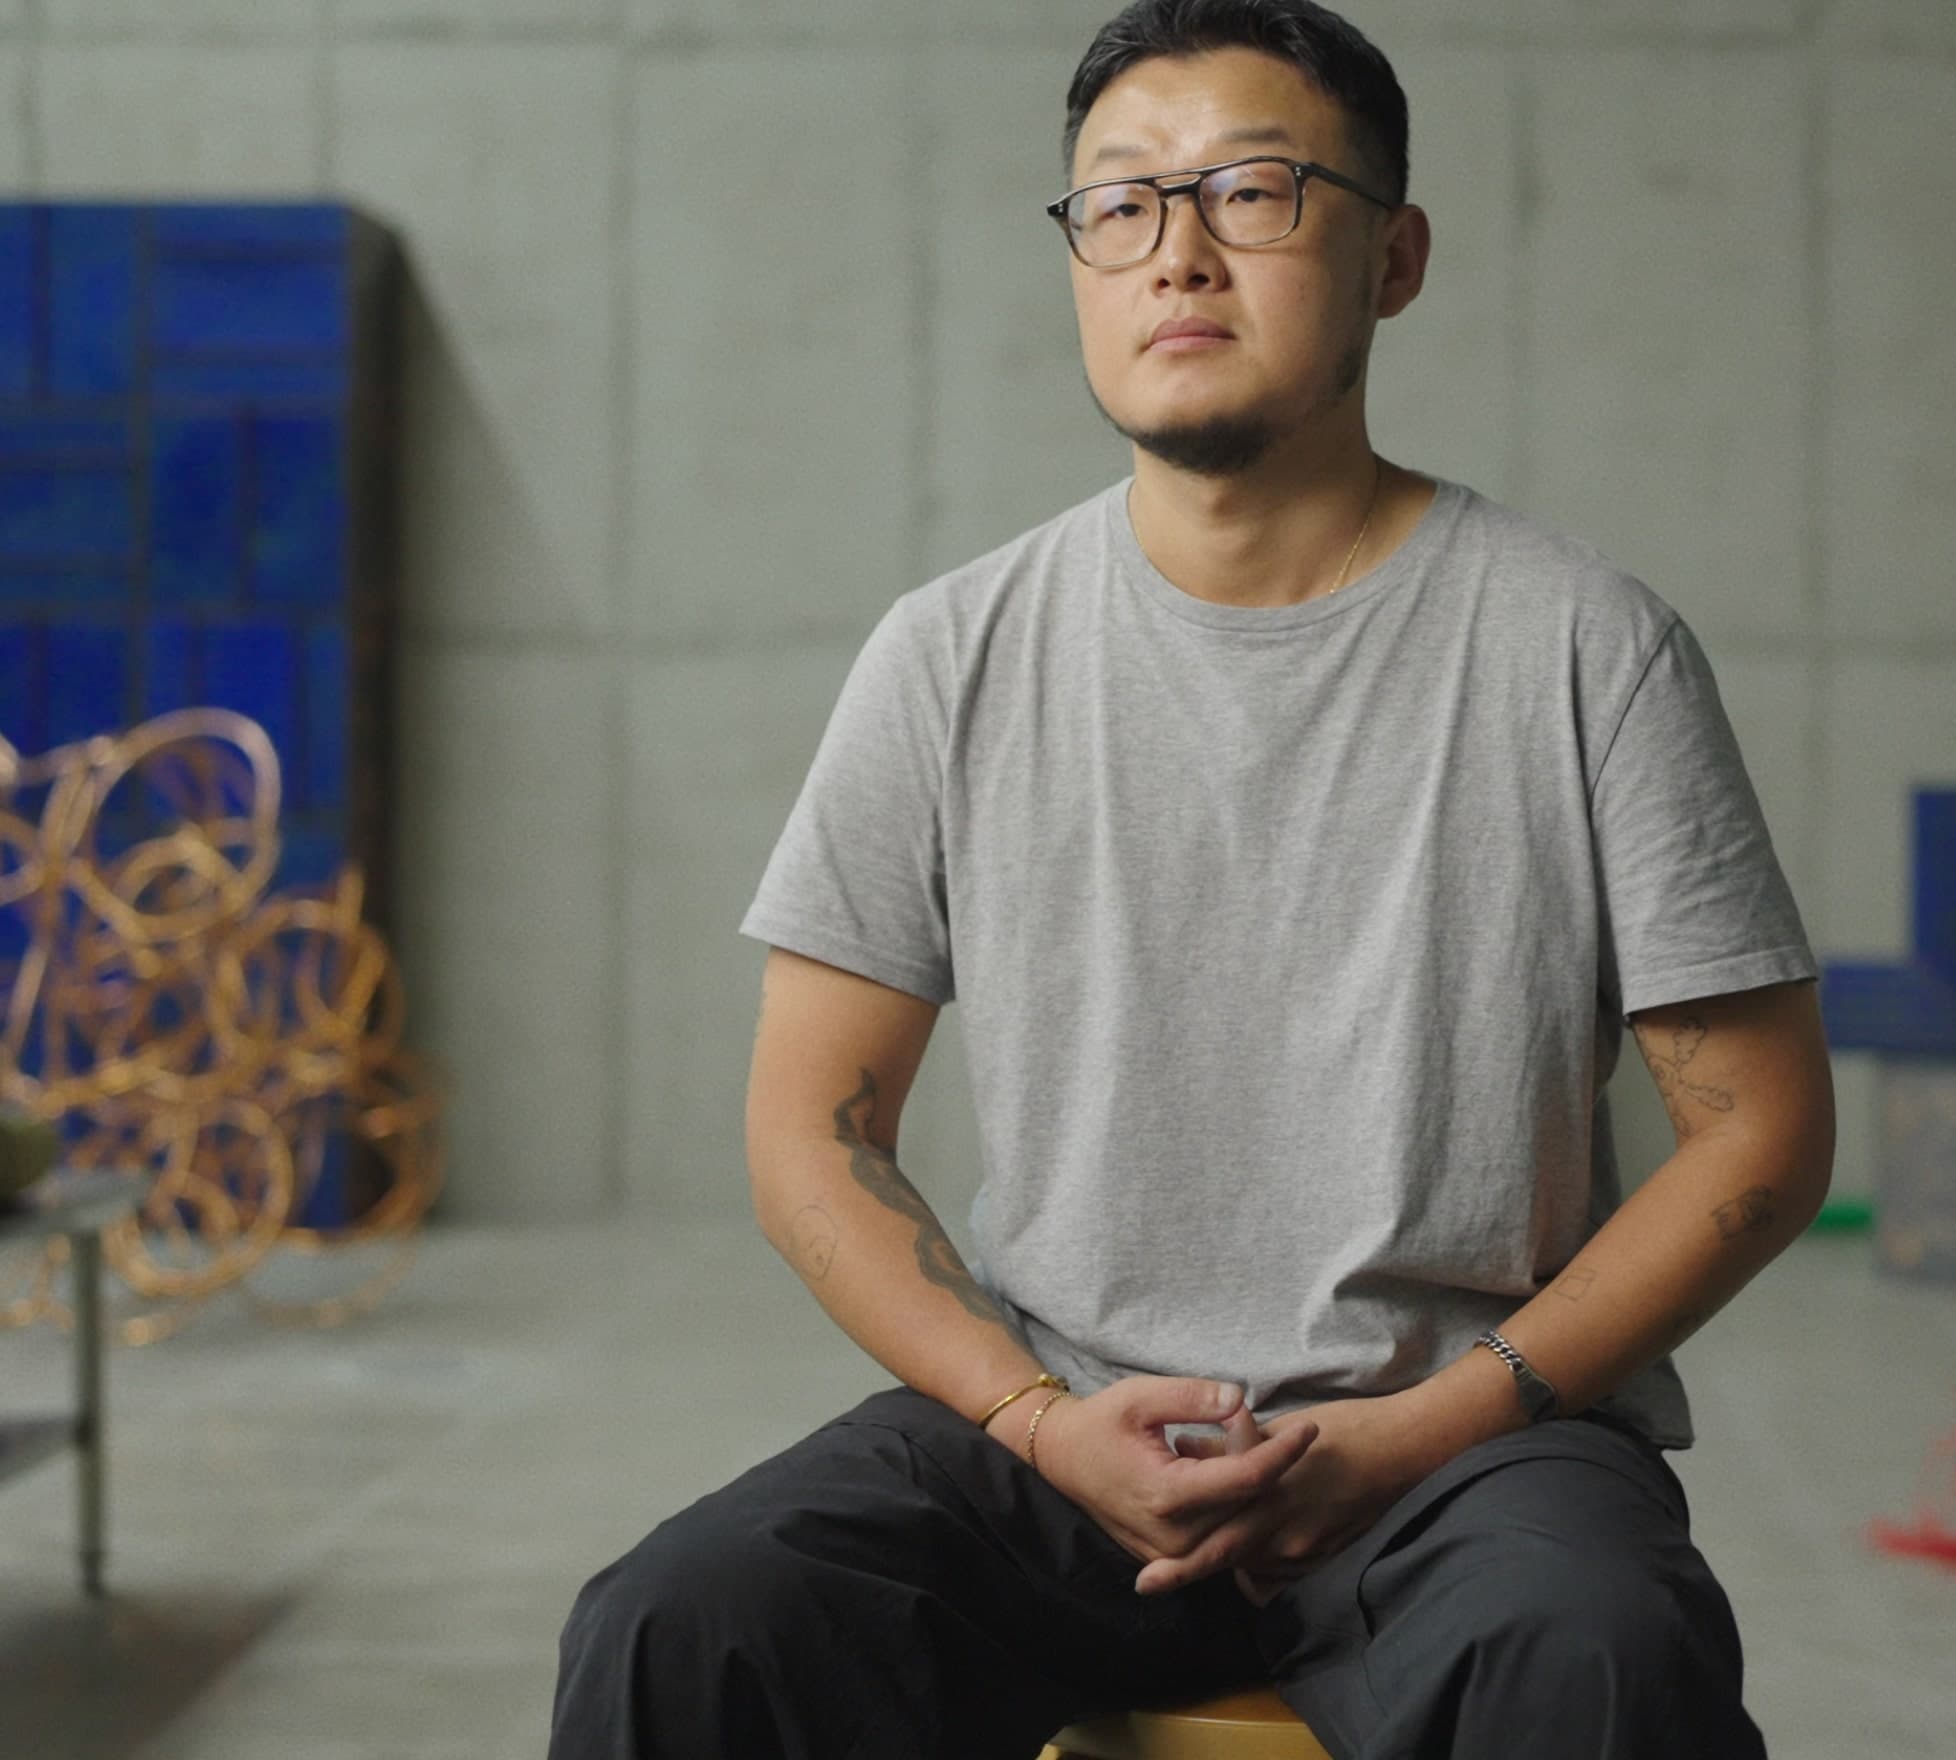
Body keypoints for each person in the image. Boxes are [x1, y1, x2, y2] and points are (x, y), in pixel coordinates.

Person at [549, 3, 1834, 1755]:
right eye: (1123, 204)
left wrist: (1435, 1424)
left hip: (1461, 1450)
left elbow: (1759, 1130)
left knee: (1603, 1655)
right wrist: (1026, 1417)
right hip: (1057, 1433)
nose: (1180, 253)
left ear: (1396, 257)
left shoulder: (1581, 648)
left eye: (1254, 190)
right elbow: (808, 1131)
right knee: (683, 1627)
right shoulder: (953, 653)